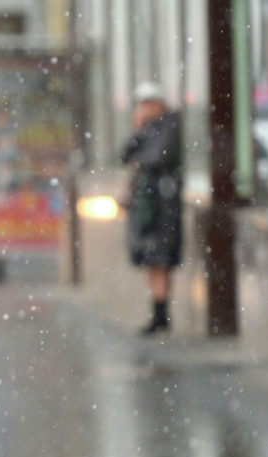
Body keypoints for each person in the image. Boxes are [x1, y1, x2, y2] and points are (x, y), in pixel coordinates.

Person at [120, 81, 183, 336]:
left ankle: (161, 314)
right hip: (147, 205)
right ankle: (158, 312)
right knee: (151, 259)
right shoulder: (146, 129)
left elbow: (157, 159)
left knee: (161, 258)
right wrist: (138, 130)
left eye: (148, 104)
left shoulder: (170, 126)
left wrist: (143, 143)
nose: (144, 109)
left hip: (163, 205)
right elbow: (125, 155)